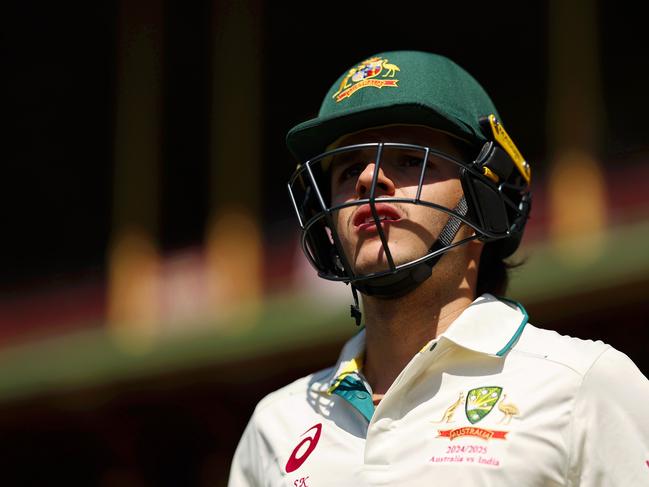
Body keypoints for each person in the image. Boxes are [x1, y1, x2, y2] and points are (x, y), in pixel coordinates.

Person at [228, 51, 649, 486]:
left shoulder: (583, 383)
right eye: (349, 168)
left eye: (410, 160)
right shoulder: (274, 425)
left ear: (486, 195)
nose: (369, 180)